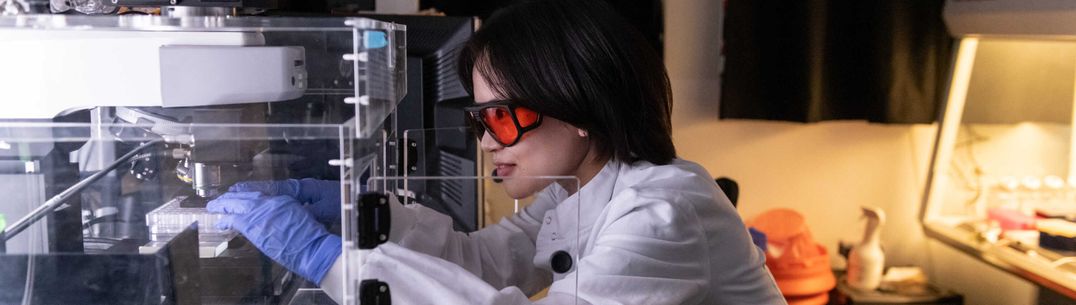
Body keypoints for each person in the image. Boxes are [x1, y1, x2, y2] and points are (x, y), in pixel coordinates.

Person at [207, 0, 786, 304]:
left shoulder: (661, 214)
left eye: (502, 118)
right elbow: (479, 260)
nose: (486, 142)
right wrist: (362, 215)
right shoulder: (575, 189)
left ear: (580, 107)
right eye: (481, 121)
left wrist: (328, 259)